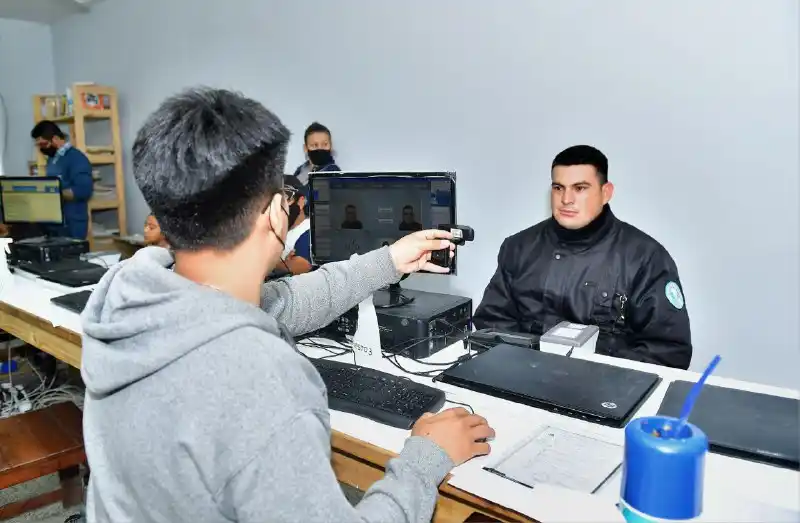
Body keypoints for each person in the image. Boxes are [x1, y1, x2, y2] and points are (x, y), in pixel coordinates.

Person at [80, 87, 493, 523]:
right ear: (277, 215)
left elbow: (286, 300)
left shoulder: (128, 300)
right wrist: (425, 460)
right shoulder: (262, 380)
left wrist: (387, 261)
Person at [473, 145, 692, 370]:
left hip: (604, 391)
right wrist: (530, 366)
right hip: (521, 378)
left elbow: (668, 351)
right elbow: (491, 324)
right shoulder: (519, 247)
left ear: (606, 193)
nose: (566, 199)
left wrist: (590, 371)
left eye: (580, 188)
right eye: (558, 188)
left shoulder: (645, 257)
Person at [30, 120, 94, 239]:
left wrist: (53, 193)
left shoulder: (76, 159)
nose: (41, 149)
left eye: (43, 144)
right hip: (54, 222)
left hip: (71, 223)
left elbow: (83, 190)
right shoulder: (53, 159)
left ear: (54, 139)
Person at [280, 175, 313, 275]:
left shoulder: (310, 230)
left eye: (286, 198)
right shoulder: (279, 229)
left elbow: (302, 266)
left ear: (301, 201)